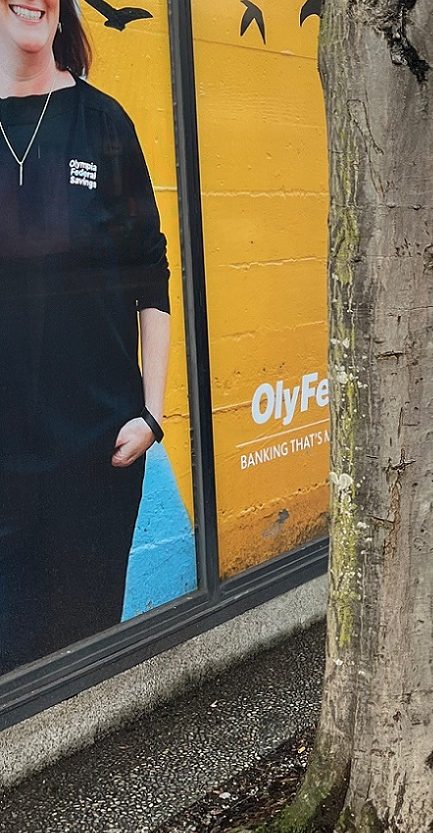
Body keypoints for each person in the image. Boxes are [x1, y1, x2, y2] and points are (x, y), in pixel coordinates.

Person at [0, 0, 170, 676]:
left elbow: (151, 272)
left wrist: (152, 414)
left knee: (80, 665)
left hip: (93, 460)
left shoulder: (103, 124)